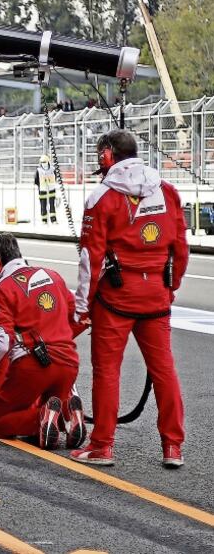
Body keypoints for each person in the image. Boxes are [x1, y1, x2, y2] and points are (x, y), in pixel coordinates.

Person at [71, 129, 188, 468]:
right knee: (164, 370)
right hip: (157, 296)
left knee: (107, 371)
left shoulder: (101, 197)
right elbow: (181, 248)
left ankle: (102, 446)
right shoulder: (168, 190)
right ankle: (173, 447)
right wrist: (171, 286)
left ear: (107, 155)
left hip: (115, 298)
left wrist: (82, 306)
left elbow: (90, 259)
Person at [0, 234, 84, 450]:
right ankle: (66, 418)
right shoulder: (53, 275)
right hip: (69, 363)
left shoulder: (3, 288)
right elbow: (78, 315)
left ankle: (44, 417)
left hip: (33, 365)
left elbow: (2, 342)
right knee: (49, 405)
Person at [34, 155, 58, 224]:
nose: (43, 163)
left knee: (52, 205)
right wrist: (40, 186)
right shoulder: (39, 170)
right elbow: (36, 180)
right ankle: (44, 220)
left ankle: (53, 220)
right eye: (42, 162)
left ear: (48, 161)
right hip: (42, 190)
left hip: (51, 190)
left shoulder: (52, 169)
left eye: (44, 162)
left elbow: (55, 178)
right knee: (43, 205)